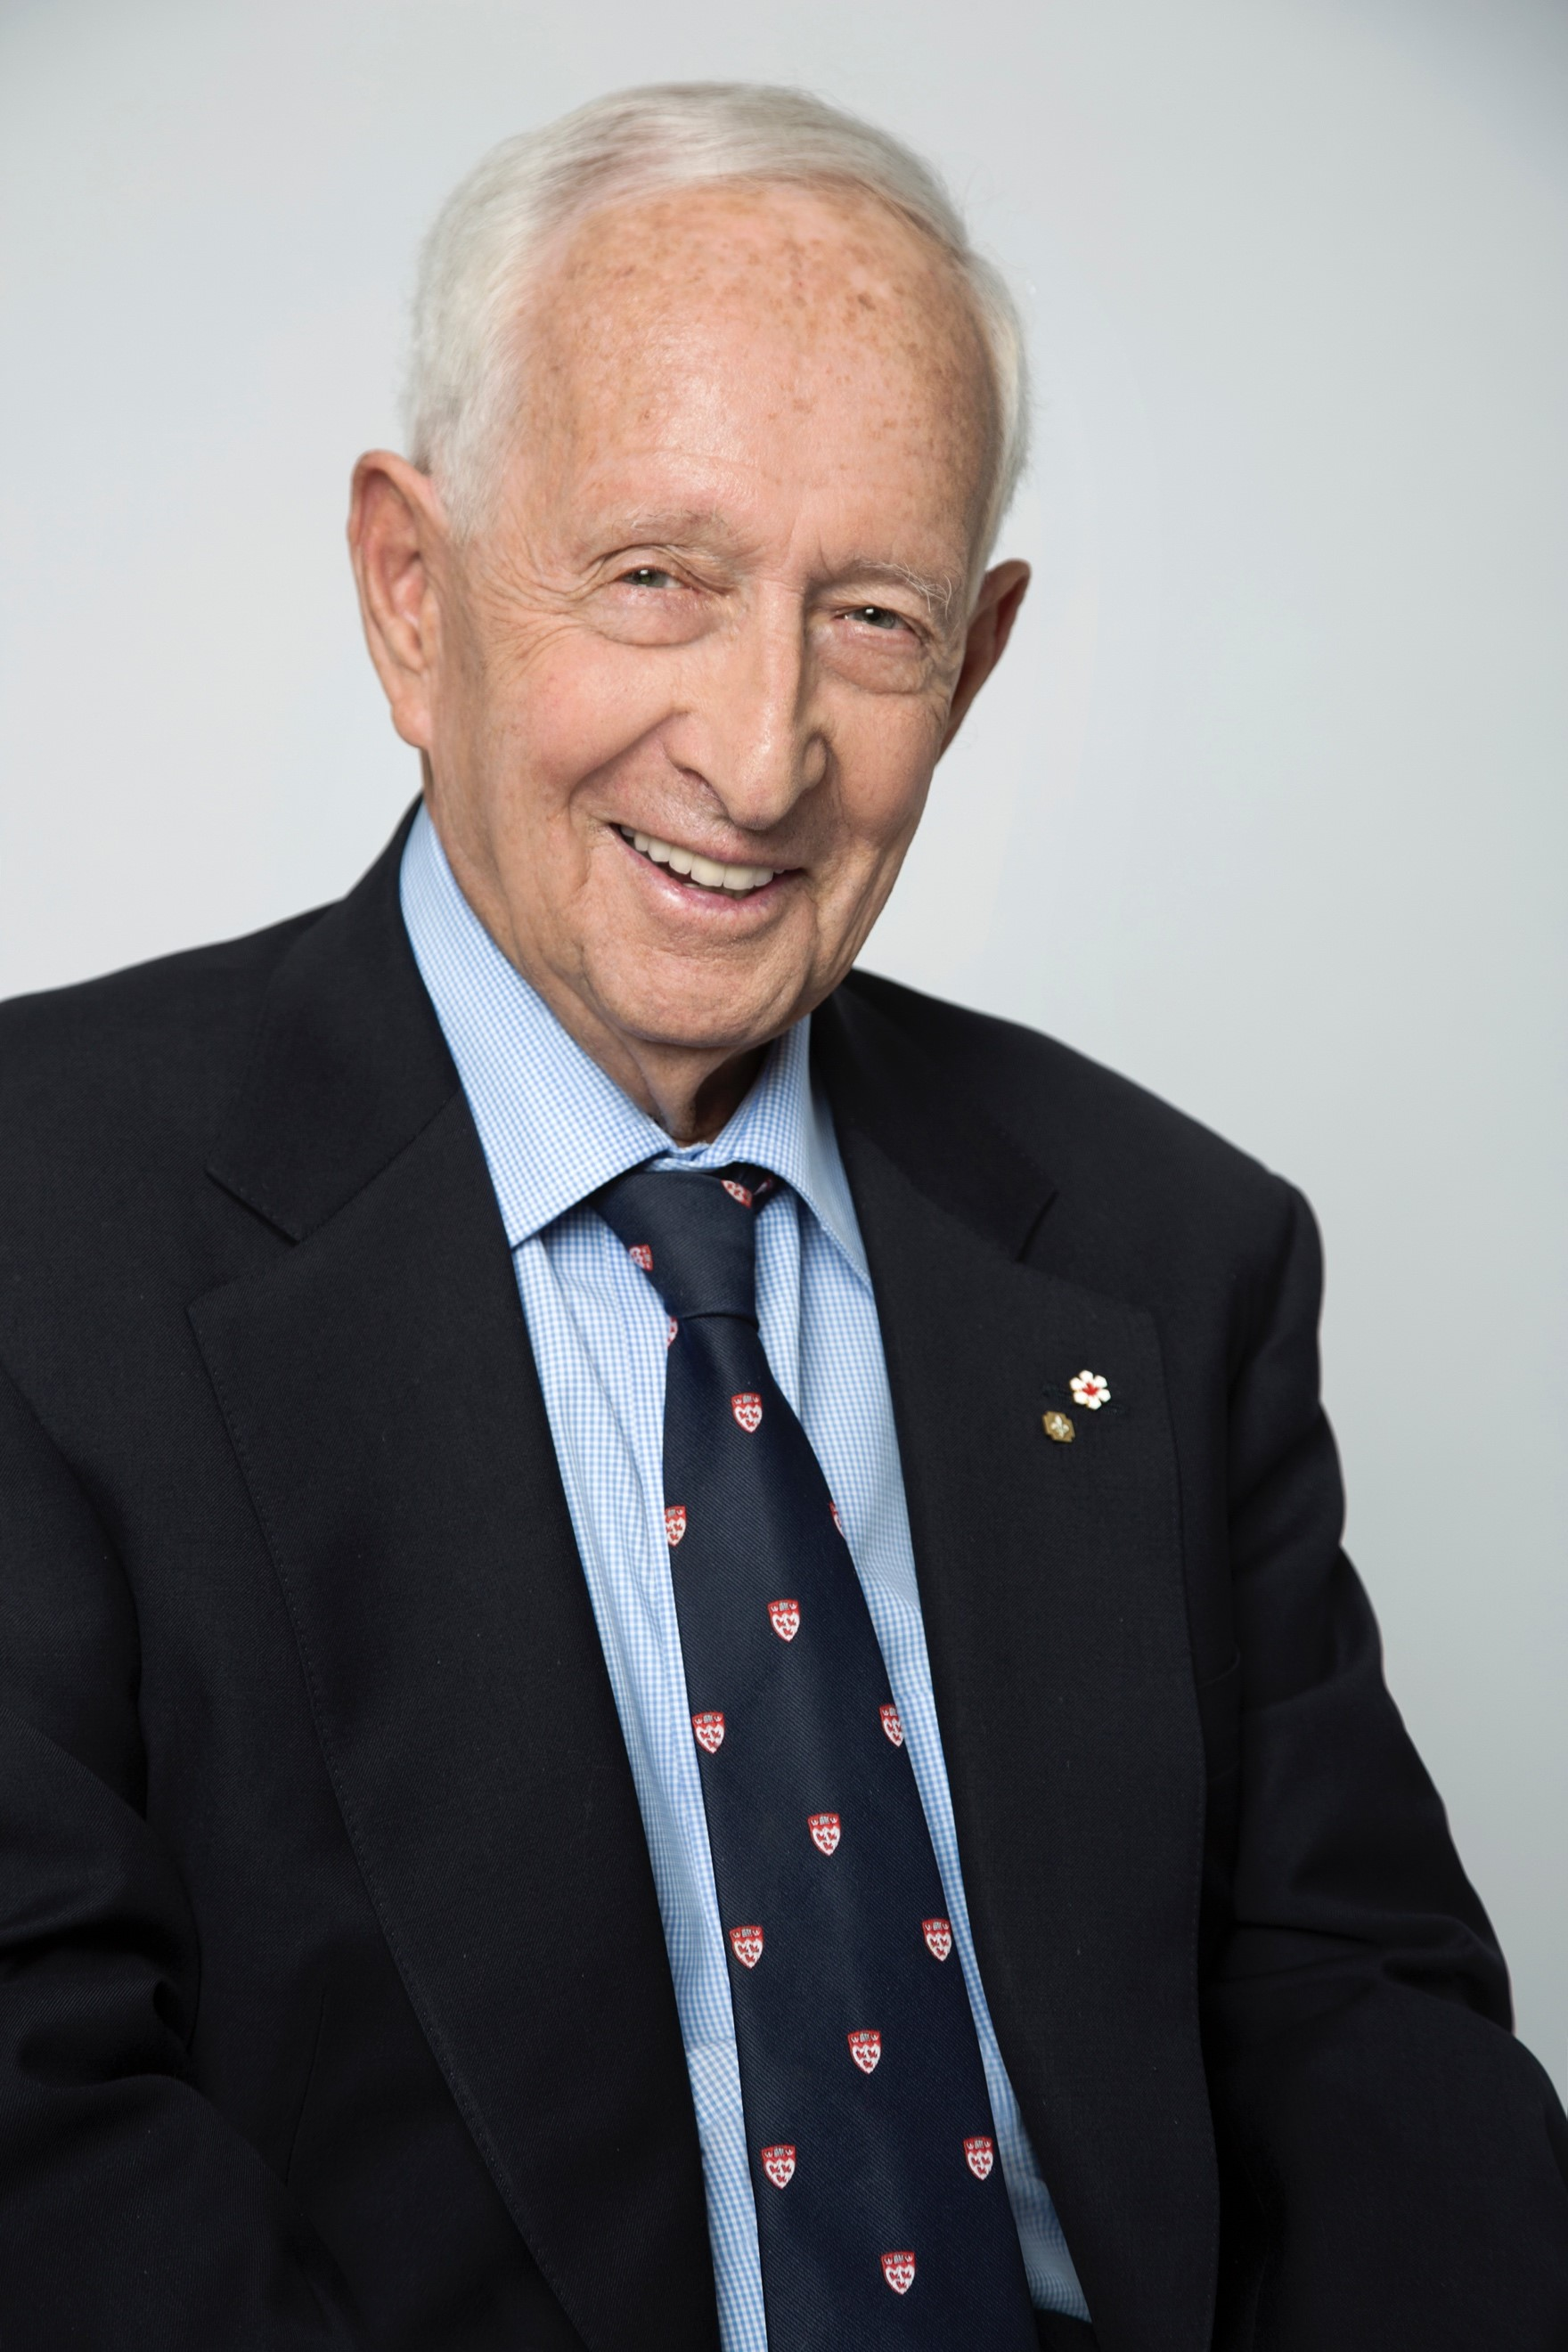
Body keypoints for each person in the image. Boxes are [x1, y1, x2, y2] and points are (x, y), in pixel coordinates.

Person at [0, 79, 1563, 2352]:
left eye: (873, 618)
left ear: (977, 659)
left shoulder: (1168, 1254)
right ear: (412, 593)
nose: (758, 757)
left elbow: (1363, 2033)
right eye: (657, 577)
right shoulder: (43, 1223)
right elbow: (40, 2135)